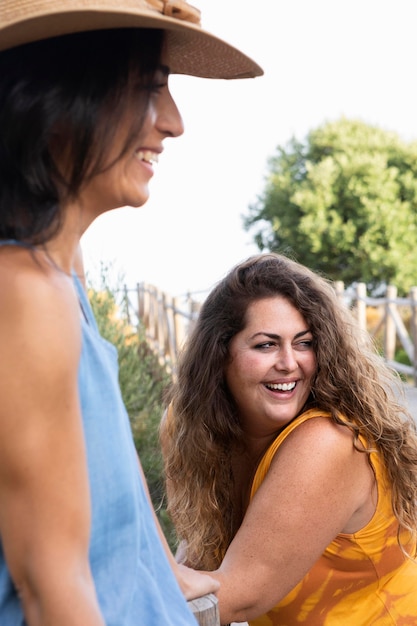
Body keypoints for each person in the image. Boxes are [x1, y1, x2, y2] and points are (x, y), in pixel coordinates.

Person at [0, 1, 263, 624]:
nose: (174, 122)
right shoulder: (22, 295)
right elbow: (53, 591)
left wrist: (170, 578)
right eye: (150, 88)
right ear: (59, 98)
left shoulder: (62, 273)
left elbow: (101, 453)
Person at [161, 252, 417, 625]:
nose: (288, 362)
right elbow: (199, 560)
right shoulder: (196, 434)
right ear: (220, 354)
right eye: (266, 345)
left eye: (304, 343)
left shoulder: (327, 441)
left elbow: (235, 597)